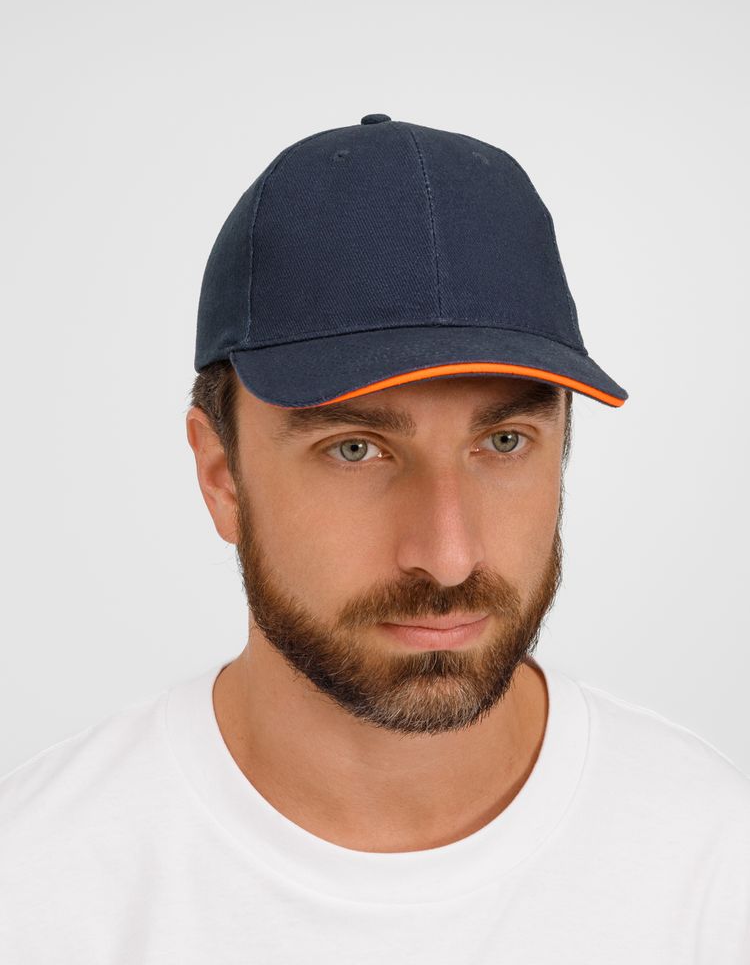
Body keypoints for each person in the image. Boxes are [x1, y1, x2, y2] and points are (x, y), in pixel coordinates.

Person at [1, 113, 748, 962]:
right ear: (221, 476)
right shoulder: (39, 891)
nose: (449, 555)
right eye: (355, 449)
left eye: (504, 441)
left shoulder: (714, 870)